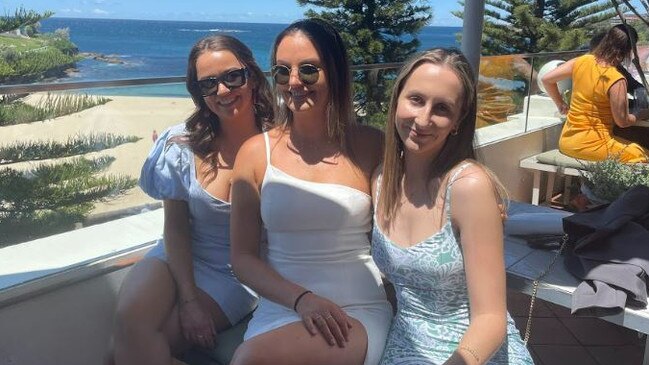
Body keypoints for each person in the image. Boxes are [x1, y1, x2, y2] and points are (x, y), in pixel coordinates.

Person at [229, 18, 392, 365]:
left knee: (250, 361)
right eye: (282, 71)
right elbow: (242, 259)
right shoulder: (256, 153)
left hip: (354, 310)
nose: (293, 83)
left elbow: (406, 216)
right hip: (283, 307)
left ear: (335, 73)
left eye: (308, 70)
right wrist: (302, 299)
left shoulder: (371, 145)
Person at [107, 34, 273, 365]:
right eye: (208, 84)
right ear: (198, 93)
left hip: (234, 274)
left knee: (124, 353)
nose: (223, 91)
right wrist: (189, 300)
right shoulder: (183, 145)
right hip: (177, 255)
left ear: (252, 77)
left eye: (232, 77)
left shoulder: (280, 145)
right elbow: (177, 228)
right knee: (130, 321)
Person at [372, 48, 533, 364]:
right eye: (416, 99)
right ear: (396, 101)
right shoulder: (380, 182)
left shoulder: (468, 188)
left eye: (442, 108)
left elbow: (490, 318)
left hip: (475, 351)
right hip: (407, 346)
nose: (423, 118)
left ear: (458, 122)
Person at [542, 24, 649, 163]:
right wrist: (643, 113)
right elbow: (622, 122)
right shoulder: (616, 79)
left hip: (567, 141)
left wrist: (561, 104)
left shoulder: (581, 61)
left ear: (606, 40)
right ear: (628, 50)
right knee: (642, 155)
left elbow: (546, 79)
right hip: (593, 145)